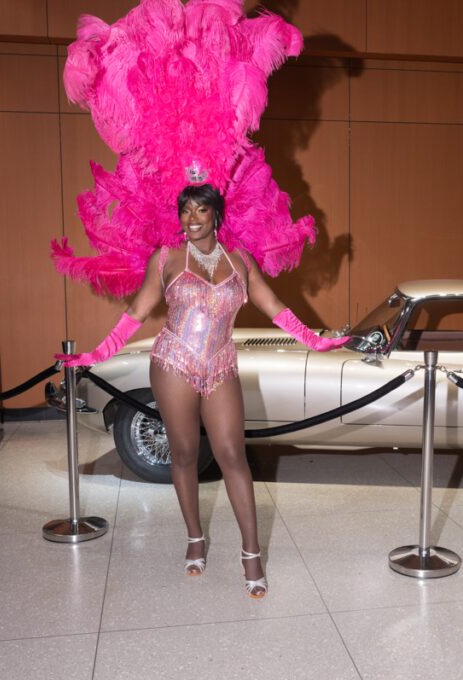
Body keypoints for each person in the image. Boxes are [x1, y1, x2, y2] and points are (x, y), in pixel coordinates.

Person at [57, 184, 347, 598]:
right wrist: (97, 353)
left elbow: (274, 305)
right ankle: (195, 536)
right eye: (185, 210)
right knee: (185, 454)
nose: (191, 219)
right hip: (174, 361)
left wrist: (315, 340)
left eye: (201, 210)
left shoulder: (241, 261)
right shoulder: (166, 258)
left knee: (232, 454)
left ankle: (251, 553)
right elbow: (138, 311)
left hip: (221, 364)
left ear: (217, 216)